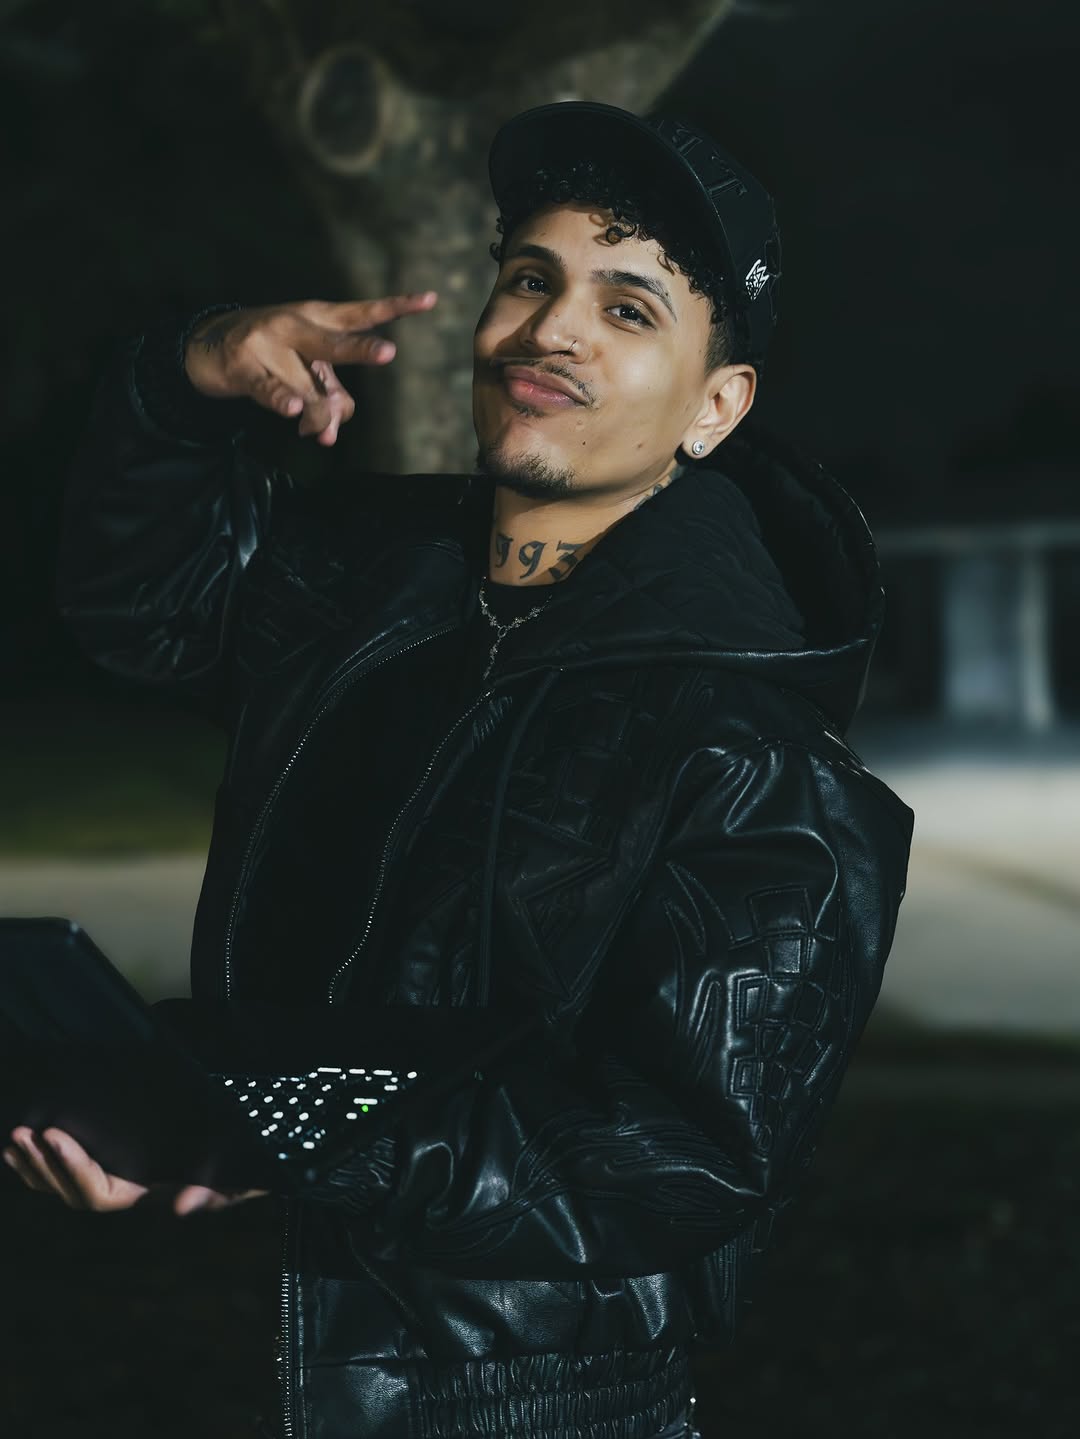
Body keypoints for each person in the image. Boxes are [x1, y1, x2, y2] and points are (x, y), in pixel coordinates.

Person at [5, 103, 914, 1438]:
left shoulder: (754, 747)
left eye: (628, 308)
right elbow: (144, 609)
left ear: (717, 407)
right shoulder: (363, 590)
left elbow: (685, 1156)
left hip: (540, 1408)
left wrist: (294, 1135)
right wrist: (186, 379)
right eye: (531, 280)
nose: (553, 330)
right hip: (269, 1364)